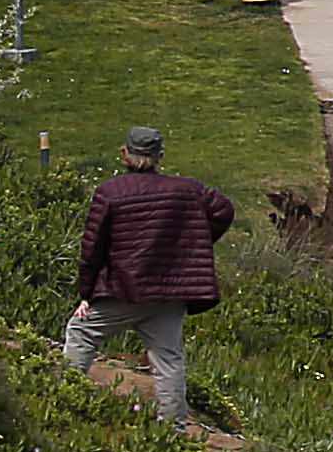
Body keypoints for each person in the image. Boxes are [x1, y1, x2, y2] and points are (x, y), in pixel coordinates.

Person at [66, 123, 239, 426]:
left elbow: (91, 248)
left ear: (125, 154)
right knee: (168, 360)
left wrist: (86, 293)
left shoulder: (110, 192)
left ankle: (62, 401)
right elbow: (224, 210)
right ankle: (174, 433)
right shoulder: (188, 190)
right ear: (160, 155)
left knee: (81, 333)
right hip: (169, 293)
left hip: (123, 288)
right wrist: (195, 242)